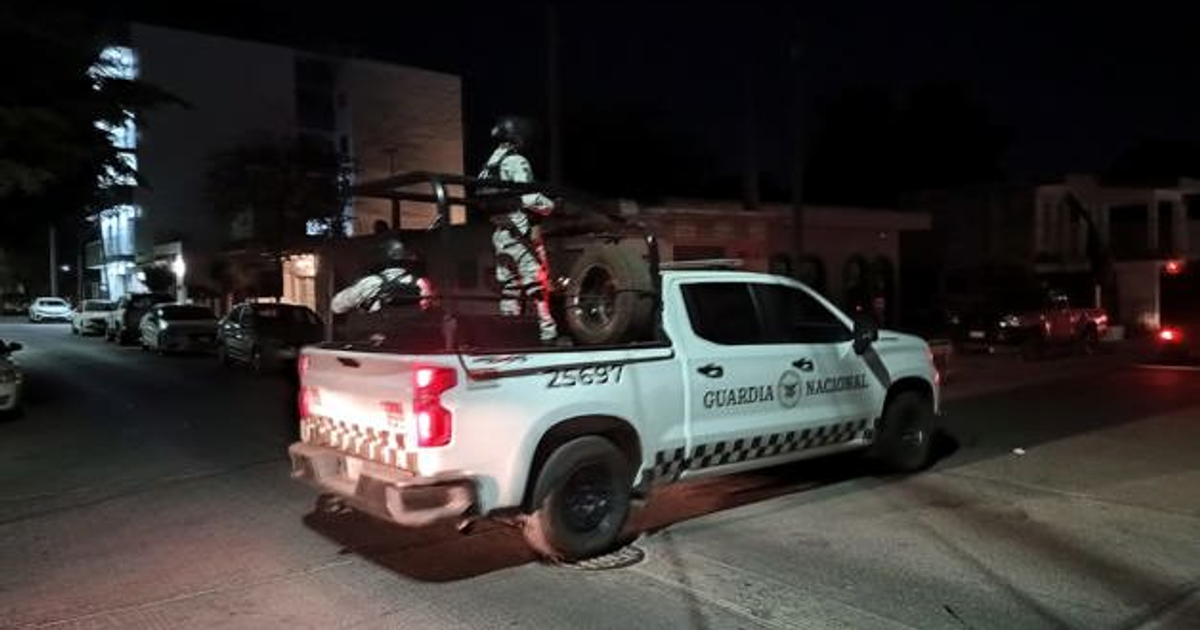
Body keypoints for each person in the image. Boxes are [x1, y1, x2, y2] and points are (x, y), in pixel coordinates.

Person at [478, 116, 561, 345]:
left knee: (510, 286)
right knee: (537, 285)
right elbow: (529, 197)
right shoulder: (515, 161)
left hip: (499, 233)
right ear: (518, 137)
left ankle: (508, 333)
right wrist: (553, 206)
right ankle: (548, 334)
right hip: (519, 232)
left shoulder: (489, 166)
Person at [331, 237, 433, 315]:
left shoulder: (371, 282)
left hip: (378, 334)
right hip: (419, 333)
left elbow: (336, 306)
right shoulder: (423, 283)